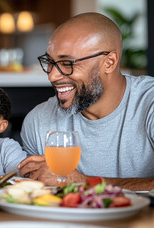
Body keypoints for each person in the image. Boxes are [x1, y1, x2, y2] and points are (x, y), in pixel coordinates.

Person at [18, 12, 154, 191]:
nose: (52, 75)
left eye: (67, 63)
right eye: (49, 62)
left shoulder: (149, 102)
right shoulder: (38, 121)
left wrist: (82, 182)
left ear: (109, 62)